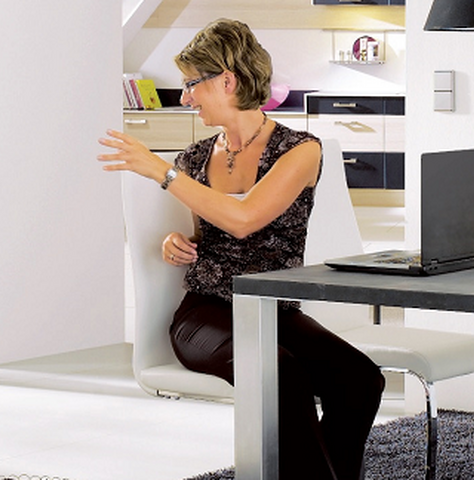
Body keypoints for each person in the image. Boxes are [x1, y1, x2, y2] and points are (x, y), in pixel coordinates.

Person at [98, 18, 384, 480]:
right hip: (204, 315)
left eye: (191, 84)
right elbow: (210, 231)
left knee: (361, 380)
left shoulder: (299, 150)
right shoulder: (194, 158)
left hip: (274, 311)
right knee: (279, 372)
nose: (185, 98)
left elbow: (245, 218)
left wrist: (161, 171)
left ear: (227, 81)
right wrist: (176, 242)